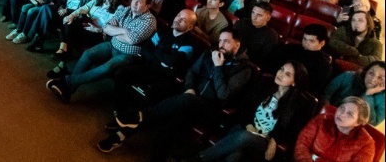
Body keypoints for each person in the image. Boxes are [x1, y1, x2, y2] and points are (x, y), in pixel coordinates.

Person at [97, 28, 252, 158]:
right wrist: (189, 87)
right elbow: (192, 72)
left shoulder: (244, 69)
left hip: (210, 110)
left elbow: (223, 95)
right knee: (171, 120)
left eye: (226, 41)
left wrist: (218, 67)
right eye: (220, 40)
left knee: (185, 101)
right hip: (189, 98)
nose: (221, 45)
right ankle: (121, 138)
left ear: (237, 45)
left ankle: (140, 115)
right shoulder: (210, 53)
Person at [46, 0, 156, 103]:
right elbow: (107, 27)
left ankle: (67, 83)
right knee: (88, 54)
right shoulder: (125, 9)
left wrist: (116, 32)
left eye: (139, 2)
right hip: (112, 44)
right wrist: (124, 31)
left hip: (128, 54)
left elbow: (132, 39)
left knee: (107, 67)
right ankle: (68, 90)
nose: (134, 3)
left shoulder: (149, 21)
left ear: (147, 6)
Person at [196, 61, 315, 162]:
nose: (281, 74)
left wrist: (274, 141)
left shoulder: (300, 104)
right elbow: (244, 108)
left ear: (295, 82)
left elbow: (293, 132)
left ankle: (198, 158)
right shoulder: (264, 85)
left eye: (287, 74)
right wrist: (248, 125)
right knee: (234, 156)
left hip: (263, 140)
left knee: (244, 137)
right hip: (245, 127)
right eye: (281, 69)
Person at [110, 9, 201, 117]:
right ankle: (119, 110)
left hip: (166, 77)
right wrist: (161, 59)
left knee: (150, 95)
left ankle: (133, 118)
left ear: (190, 27)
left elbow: (173, 61)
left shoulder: (190, 44)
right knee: (122, 73)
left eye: (183, 20)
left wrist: (156, 51)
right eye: (178, 15)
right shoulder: (163, 31)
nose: (178, 19)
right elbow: (145, 49)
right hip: (149, 67)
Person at [294, 96, 375, 162]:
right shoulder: (322, 119)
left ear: (358, 122)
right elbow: (302, 144)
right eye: (342, 108)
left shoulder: (366, 143)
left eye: (350, 114)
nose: (341, 114)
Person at [273, 24, 333, 97]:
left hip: (295, 96)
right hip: (275, 85)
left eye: (311, 41)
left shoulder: (324, 65)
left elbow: (313, 89)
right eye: (304, 39)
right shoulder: (291, 49)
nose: (306, 43)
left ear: (322, 43)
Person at [324, 61, 385, 126]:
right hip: (329, 114)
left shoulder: (383, 99)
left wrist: (368, 95)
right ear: (366, 72)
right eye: (371, 73)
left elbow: (373, 123)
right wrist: (326, 112)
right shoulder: (349, 76)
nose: (373, 79)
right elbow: (326, 94)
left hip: (352, 128)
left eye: (380, 78)